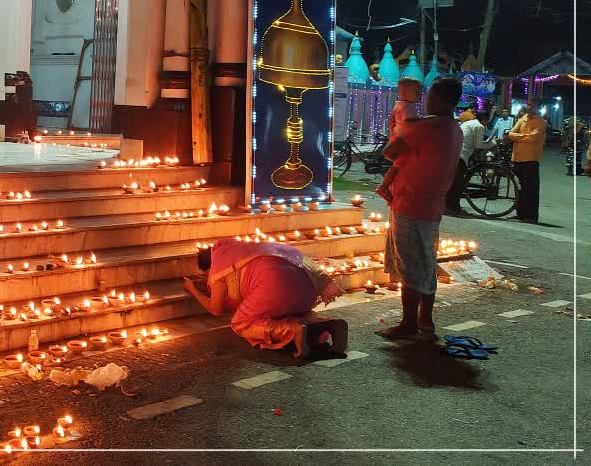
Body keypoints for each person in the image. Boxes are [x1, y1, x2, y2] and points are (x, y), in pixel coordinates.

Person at [377, 77, 463, 341]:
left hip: (410, 203)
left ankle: (408, 323)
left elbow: (390, 152)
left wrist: (398, 131)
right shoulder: (454, 129)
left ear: (436, 99)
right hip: (432, 205)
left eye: (428, 94)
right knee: (426, 264)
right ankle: (426, 321)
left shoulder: (424, 127)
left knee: (409, 267)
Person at [182, 239, 346, 358]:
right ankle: (326, 324)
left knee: (241, 322)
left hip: (273, 284)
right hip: (305, 285)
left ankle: (292, 330)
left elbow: (215, 309)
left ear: (210, 267)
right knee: (286, 314)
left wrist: (194, 290)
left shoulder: (220, 267)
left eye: (206, 274)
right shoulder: (243, 253)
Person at [375, 76, 423, 203]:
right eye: (417, 92)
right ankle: (384, 187)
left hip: (398, 140)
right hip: (404, 143)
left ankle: (387, 187)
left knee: (397, 166)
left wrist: (394, 134)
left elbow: (392, 122)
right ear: (404, 92)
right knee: (398, 166)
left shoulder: (399, 105)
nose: (420, 95)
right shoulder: (408, 107)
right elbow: (411, 124)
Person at [445, 109, 493, 215]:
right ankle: (452, 207)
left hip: (454, 152)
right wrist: (492, 144)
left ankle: (451, 206)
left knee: (453, 182)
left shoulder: (469, 123)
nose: (488, 122)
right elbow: (478, 145)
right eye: (488, 120)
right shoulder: (479, 126)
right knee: (457, 183)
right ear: (484, 119)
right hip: (461, 154)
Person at [507, 101, 547, 223]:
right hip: (517, 158)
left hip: (530, 158)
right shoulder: (522, 119)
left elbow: (533, 138)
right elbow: (510, 133)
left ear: (538, 108)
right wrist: (521, 137)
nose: (530, 107)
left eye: (533, 105)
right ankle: (520, 213)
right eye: (528, 105)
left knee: (531, 189)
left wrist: (518, 137)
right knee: (519, 188)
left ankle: (531, 216)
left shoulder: (540, 122)